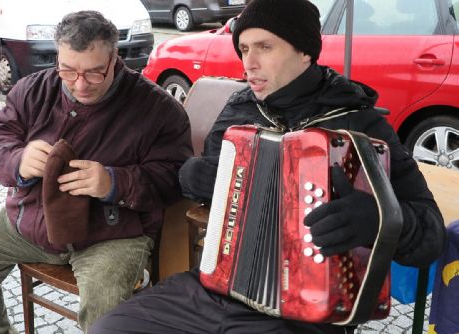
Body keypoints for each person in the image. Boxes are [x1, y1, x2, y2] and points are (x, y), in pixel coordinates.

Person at [89, 0, 447, 333]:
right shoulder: (240, 109)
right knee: (111, 328)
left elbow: (430, 235)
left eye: (265, 47)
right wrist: (194, 177)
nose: (249, 63)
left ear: (304, 50)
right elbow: (213, 185)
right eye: (244, 49)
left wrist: (379, 219)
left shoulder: (358, 123)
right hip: (216, 287)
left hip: (307, 309)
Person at [0, 10, 192, 334]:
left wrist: (115, 182)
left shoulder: (158, 108)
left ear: (114, 59)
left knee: (105, 312)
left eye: (95, 73)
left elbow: (175, 176)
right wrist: (18, 160)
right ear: (57, 57)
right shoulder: (33, 89)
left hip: (112, 233)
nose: (80, 84)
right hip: (32, 218)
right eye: (68, 71)